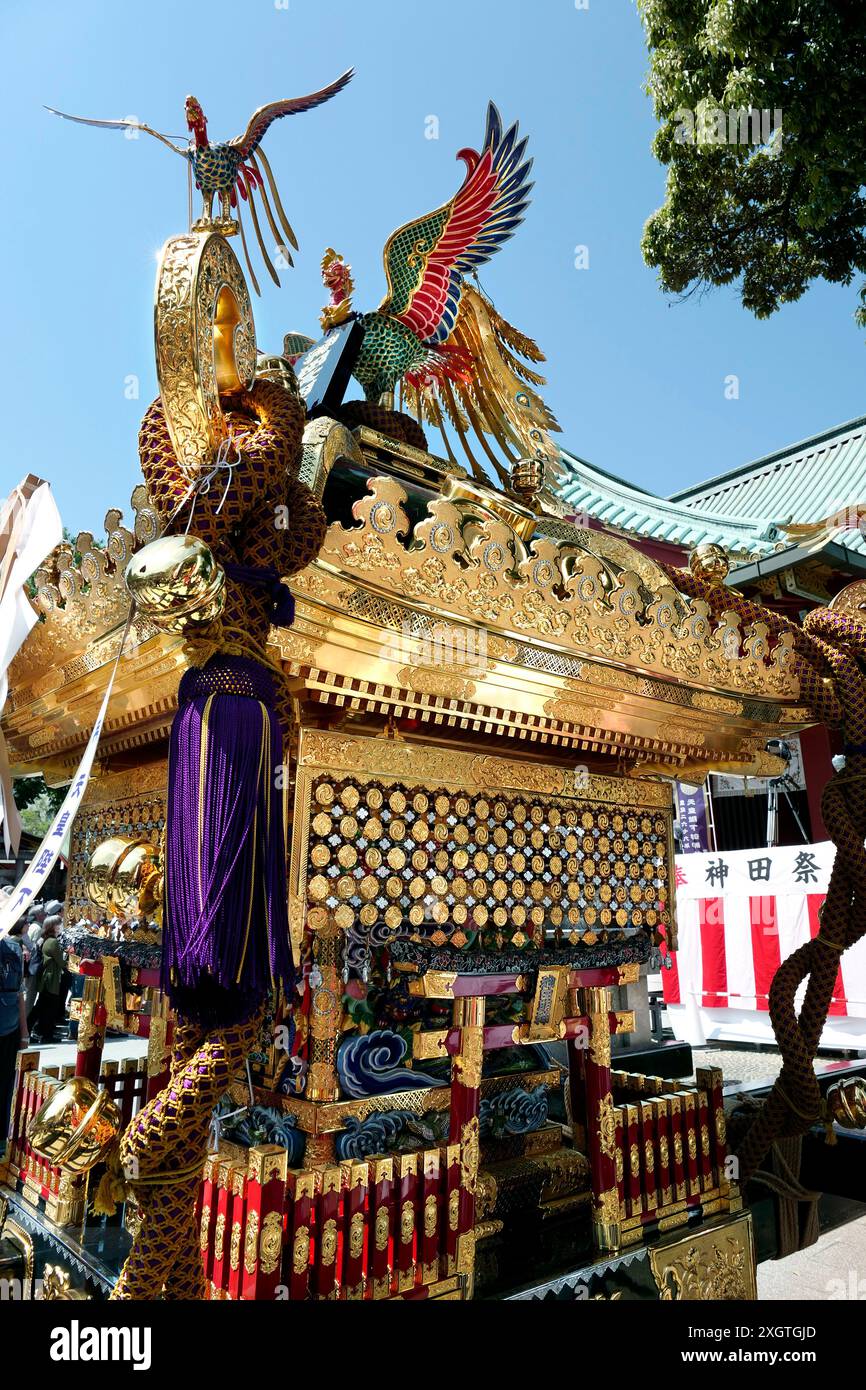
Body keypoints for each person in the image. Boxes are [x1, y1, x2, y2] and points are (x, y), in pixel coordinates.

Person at [0, 921, 29, 1160]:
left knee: (5, 1083)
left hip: (8, 1025)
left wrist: (24, 1031)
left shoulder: (13, 949)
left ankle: (1, 1137)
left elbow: (19, 993)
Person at [27, 922, 65, 1045]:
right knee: (49, 1008)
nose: (60, 927)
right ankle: (46, 1034)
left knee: (42, 1007)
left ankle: (36, 1031)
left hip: (46, 978)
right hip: (51, 978)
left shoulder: (47, 940)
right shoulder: (53, 942)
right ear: (52, 927)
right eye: (58, 925)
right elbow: (61, 961)